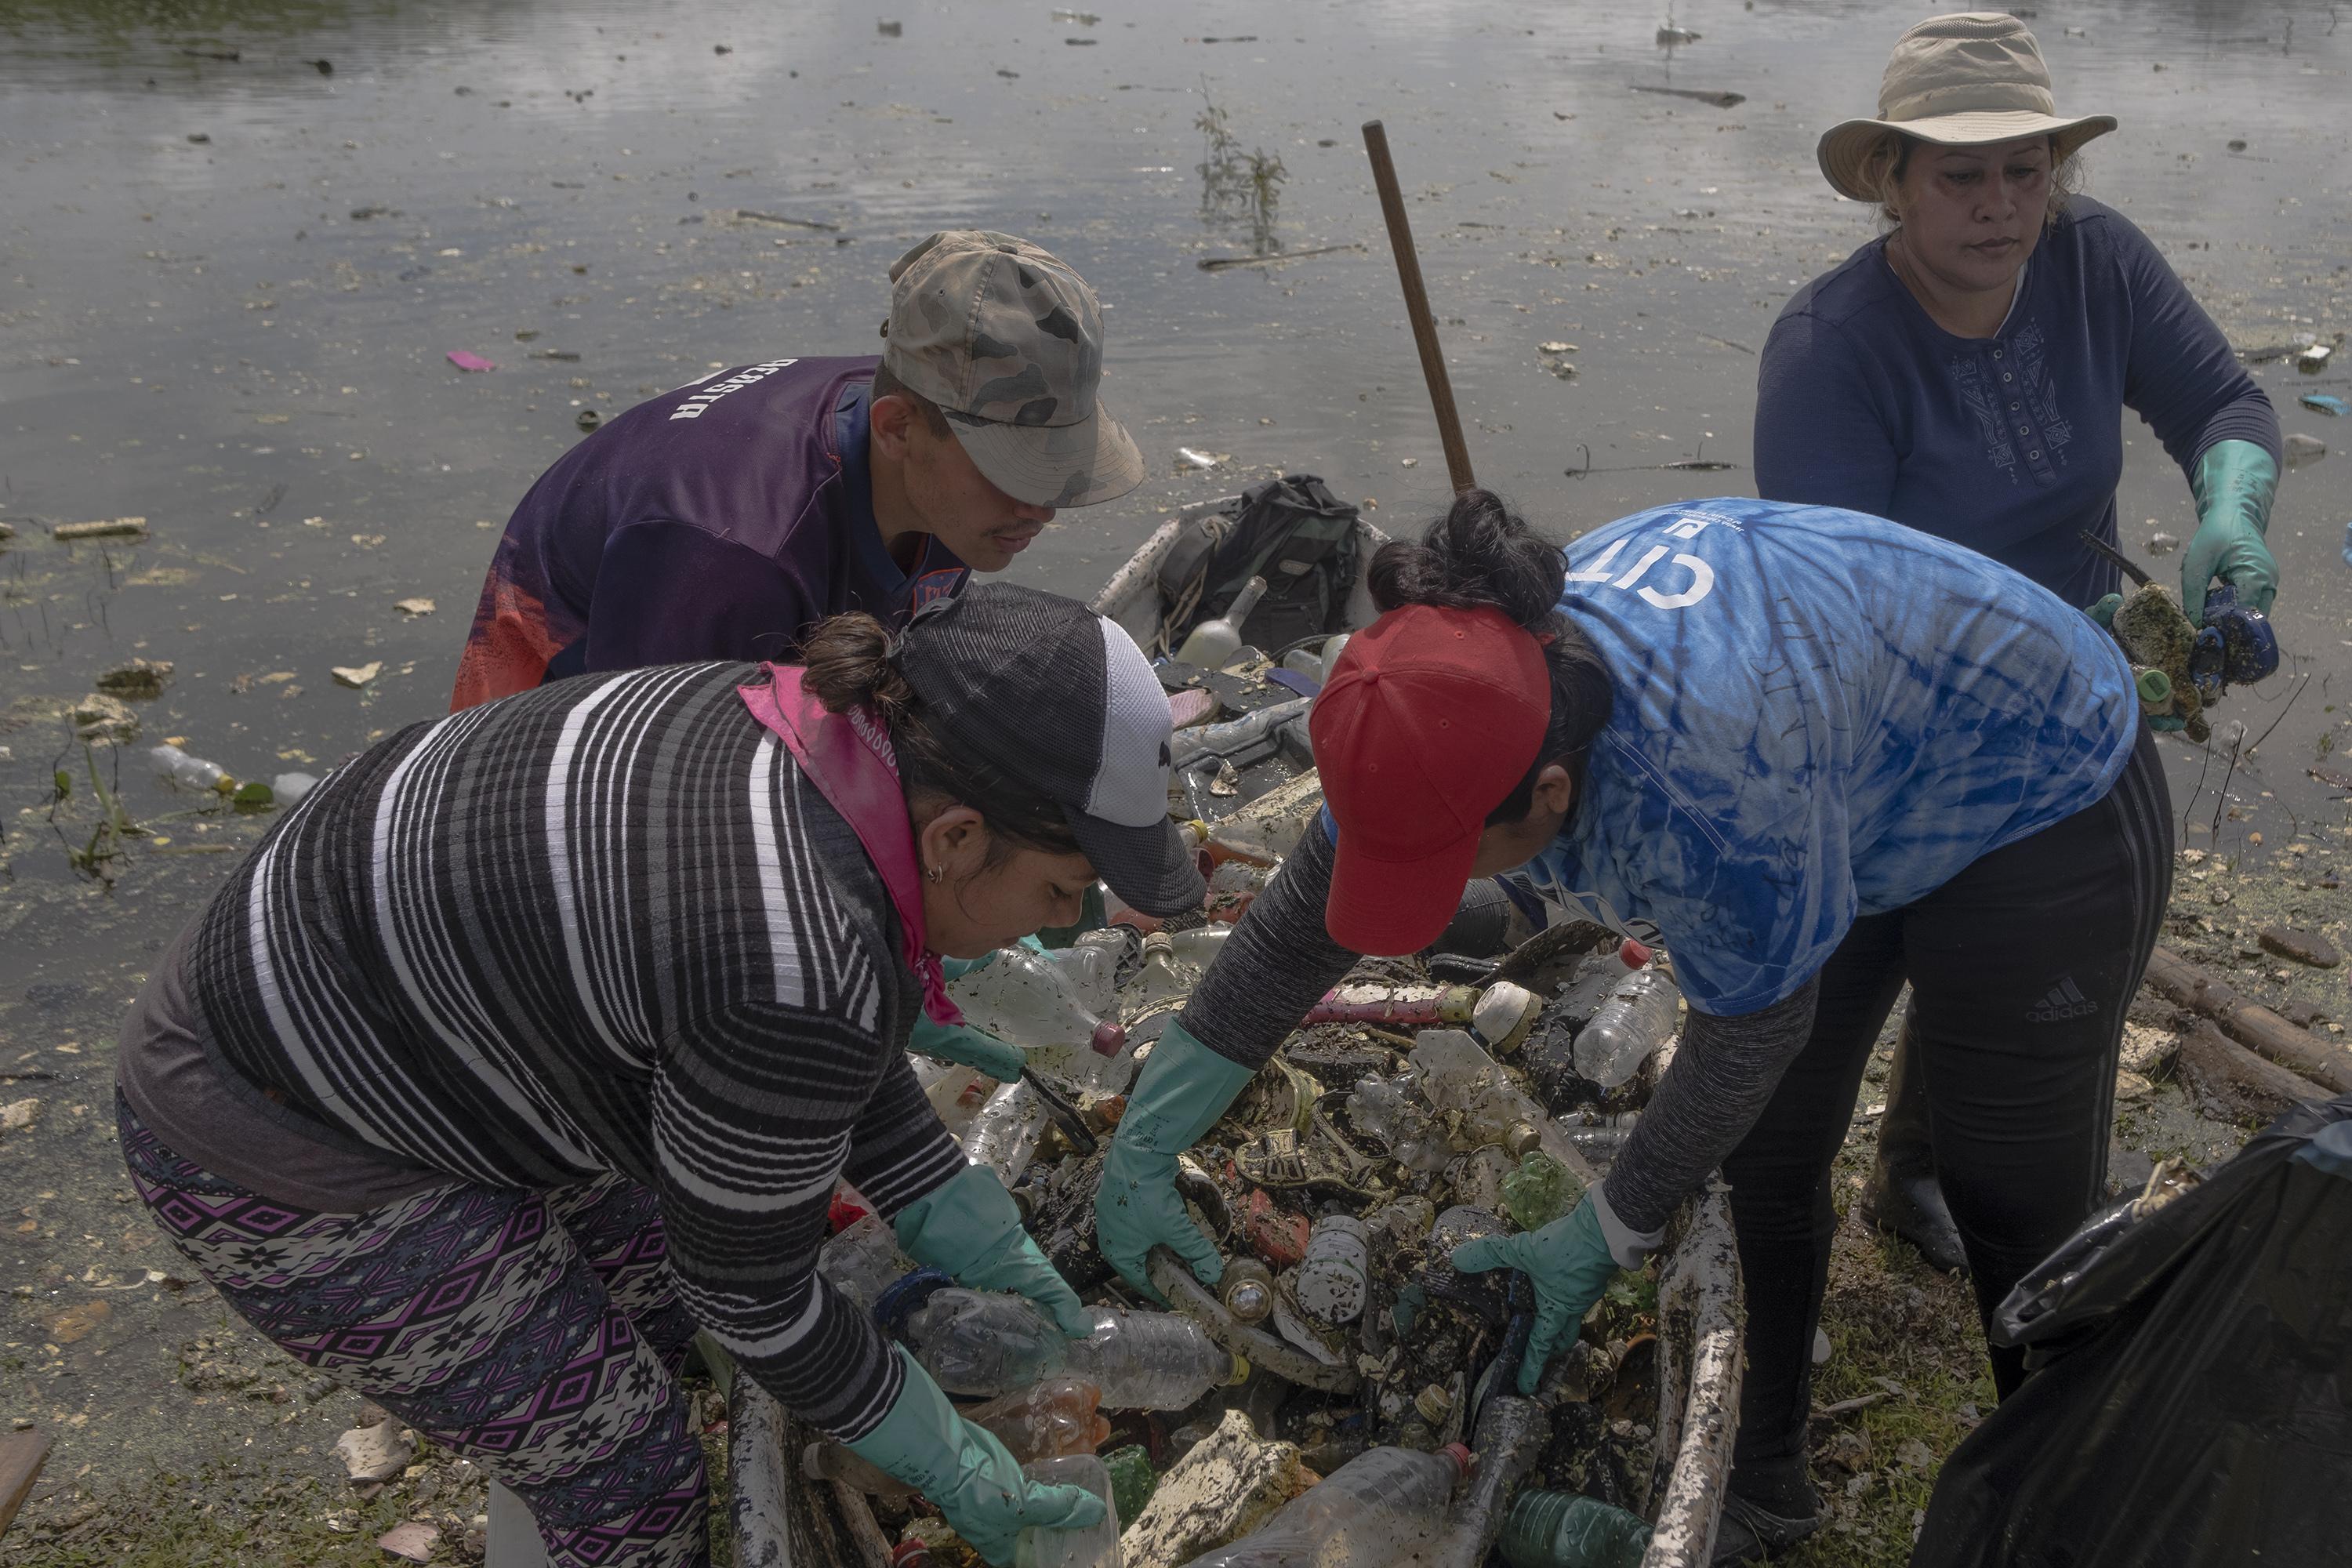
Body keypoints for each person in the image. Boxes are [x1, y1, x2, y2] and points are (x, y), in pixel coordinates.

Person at [1095, 492, 2170, 1563]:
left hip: (2042, 773)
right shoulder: (1425, 707)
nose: (1437, 880)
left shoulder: (1704, 798)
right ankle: (1765, 1480)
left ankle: (2069, 1516)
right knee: (1767, 1153)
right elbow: (1299, 929)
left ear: (1554, 792)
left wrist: (1605, 1232)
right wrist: (1156, 1125)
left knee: (2015, 1201)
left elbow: (1751, 1031)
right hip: (1848, 757)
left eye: (1451, 859)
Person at [118, 584, 1203, 1568]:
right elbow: (754, 1288)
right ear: (960, 837)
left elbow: (822, 1044)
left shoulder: (814, 727)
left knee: (646, 1320)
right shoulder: (796, 946)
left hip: (377, 1001)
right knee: (633, 1479)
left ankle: (535, 1492)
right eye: (1063, 892)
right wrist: (952, 1463)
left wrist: (970, 1227)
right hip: (275, 1130)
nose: (1066, 925)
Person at [1752, 10, 2279, 1272]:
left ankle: (1921, 1164)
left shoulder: (2095, 262)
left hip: (2074, 721)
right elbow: (1840, 622)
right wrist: (2055, 646)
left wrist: (2229, 508)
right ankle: (1787, 1261)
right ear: (1891, 179)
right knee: (1808, 1060)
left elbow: (2222, 398)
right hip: (1883, 753)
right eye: (1960, 174)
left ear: (2058, 171)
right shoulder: (1830, 355)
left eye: (2024, 170)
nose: (1999, 205)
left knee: (2015, 981)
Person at [451, 229, 1145, 710]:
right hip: (555, 702)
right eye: (1014, 470)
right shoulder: (729, 551)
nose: (1041, 510)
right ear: (897, 429)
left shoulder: (932, 460)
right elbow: (648, 796)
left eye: (1050, 467)